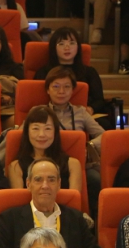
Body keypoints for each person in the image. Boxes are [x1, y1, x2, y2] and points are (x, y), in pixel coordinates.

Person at [43, 66, 104, 215]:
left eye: (67, 87)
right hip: (47, 163)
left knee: (95, 179)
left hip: (79, 164)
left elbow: (104, 136)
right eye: (56, 86)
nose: (61, 91)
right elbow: (21, 136)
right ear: (48, 90)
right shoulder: (40, 112)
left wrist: (89, 145)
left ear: (72, 90)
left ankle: (90, 219)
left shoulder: (80, 112)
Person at [7, 106, 83, 196]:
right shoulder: (16, 167)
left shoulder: (72, 164)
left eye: (48, 129)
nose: (41, 134)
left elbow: (73, 200)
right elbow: (19, 201)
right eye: (35, 128)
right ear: (27, 132)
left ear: (55, 132)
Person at [34, 27, 107, 115]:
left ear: (78, 47)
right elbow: (36, 99)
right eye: (61, 44)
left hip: (83, 115)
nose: (67, 47)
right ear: (53, 48)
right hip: (52, 114)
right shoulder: (43, 72)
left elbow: (99, 100)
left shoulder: (89, 72)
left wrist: (91, 109)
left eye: (72, 43)